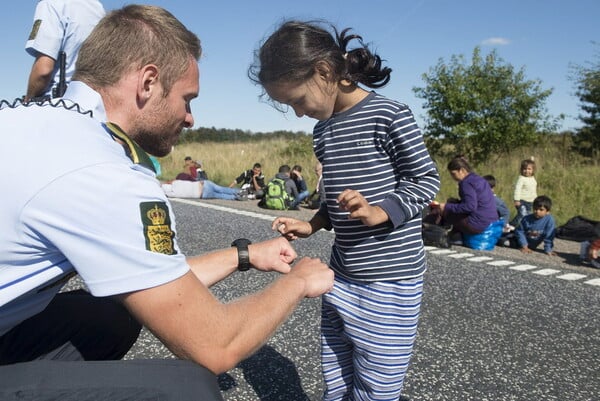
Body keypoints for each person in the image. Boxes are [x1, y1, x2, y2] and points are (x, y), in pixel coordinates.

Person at [0, 6, 334, 400]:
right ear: (148, 82)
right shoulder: (102, 172)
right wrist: (297, 282)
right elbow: (216, 345)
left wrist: (244, 256)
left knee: (111, 314)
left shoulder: (33, 122)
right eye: (187, 99)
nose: (190, 118)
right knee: (188, 388)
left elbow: (150, 280)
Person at [249, 20, 440, 401]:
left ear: (324, 72)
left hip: (388, 280)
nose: (300, 114)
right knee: (337, 374)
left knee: (376, 385)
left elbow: (426, 181)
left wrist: (381, 211)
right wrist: (314, 224)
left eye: (298, 101)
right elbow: (334, 195)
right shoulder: (323, 131)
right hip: (342, 274)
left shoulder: (390, 116)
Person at [24, 0, 106, 102]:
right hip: (93, 102)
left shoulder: (50, 4)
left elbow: (43, 71)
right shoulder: (98, 8)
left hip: (57, 103)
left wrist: (27, 100)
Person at [436, 156, 498, 238]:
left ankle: (440, 234)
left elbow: (470, 206)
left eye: (453, 174)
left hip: (478, 225)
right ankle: (455, 234)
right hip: (492, 222)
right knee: (452, 202)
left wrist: (446, 206)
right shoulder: (479, 179)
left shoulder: (466, 183)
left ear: (462, 170)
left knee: (447, 211)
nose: (452, 177)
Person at [512, 158, 538, 227]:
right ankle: (512, 225)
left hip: (531, 201)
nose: (527, 171)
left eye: (529, 169)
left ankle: (524, 228)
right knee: (522, 214)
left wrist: (536, 199)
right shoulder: (521, 179)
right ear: (521, 170)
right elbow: (517, 189)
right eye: (525, 169)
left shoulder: (533, 178)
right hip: (522, 201)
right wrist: (516, 200)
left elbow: (533, 190)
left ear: (533, 170)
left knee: (527, 216)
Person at [162, 179, 241, 200]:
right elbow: (171, 181)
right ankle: (239, 192)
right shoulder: (176, 182)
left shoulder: (173, 194)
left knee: (220, 195)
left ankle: (235, 197)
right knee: (221, 189)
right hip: (202, 184)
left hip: (201, 194)